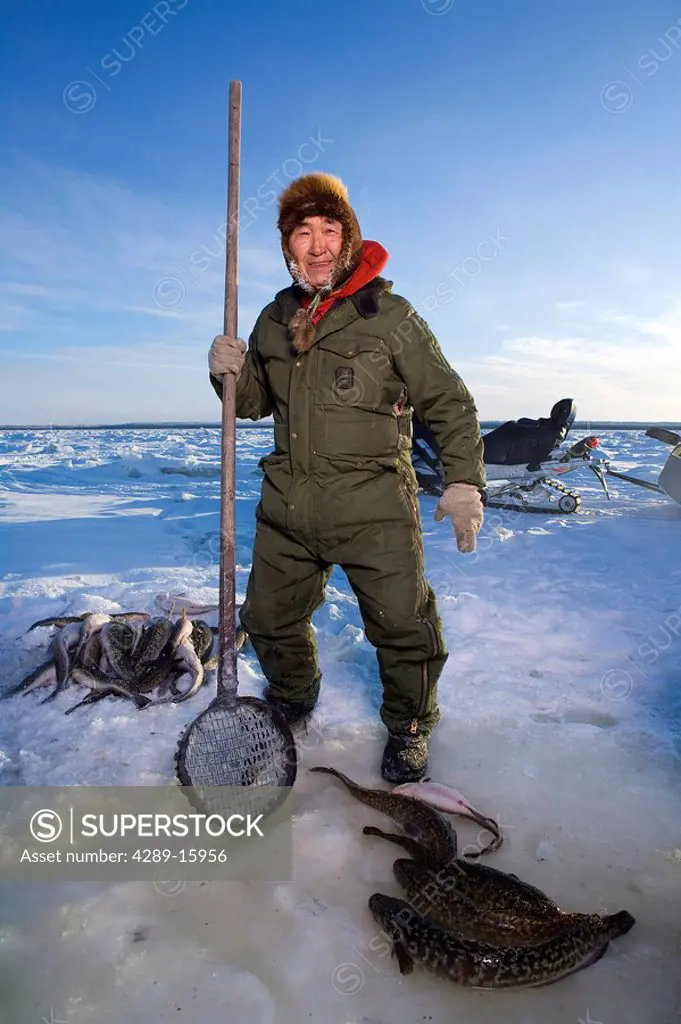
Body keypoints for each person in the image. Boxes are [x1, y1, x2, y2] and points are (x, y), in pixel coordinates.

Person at [208, 172, 485, 783]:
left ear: (348, 238)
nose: (316, 245)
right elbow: (251, 402)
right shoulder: (273, 318)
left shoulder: (389, 315)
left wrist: (464, 479)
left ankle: (409, 725)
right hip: (288, 508)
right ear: (287, 247)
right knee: (268, 619)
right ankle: (294, 695)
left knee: (403, 626)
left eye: (328, 230)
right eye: (302, 233)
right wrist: (226, 370)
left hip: (375, 509)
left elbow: (448, 401)